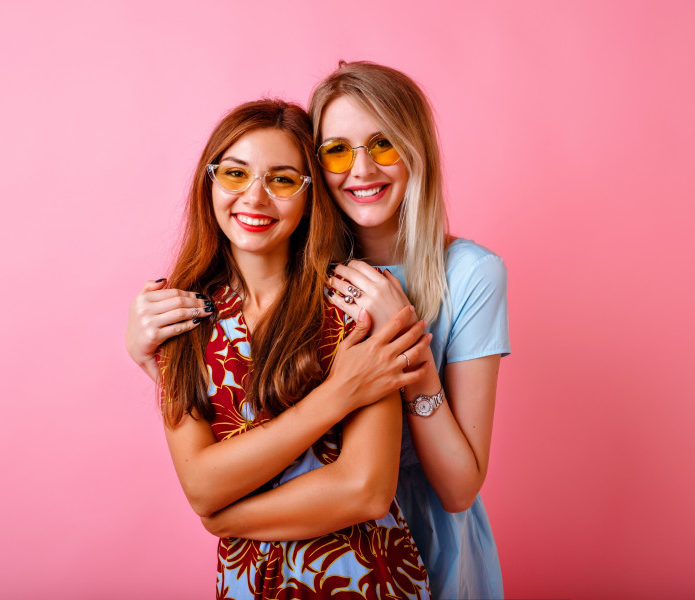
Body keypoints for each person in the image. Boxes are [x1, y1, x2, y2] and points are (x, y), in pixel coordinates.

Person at [129, 62, 511, 600]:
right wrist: (144, 346)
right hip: (281, 540)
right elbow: (207, 463)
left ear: (416, 149)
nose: (360, 169)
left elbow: (427, 489)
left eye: (382, 144)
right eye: (336, 150)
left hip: (399, 542)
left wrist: (227, 518)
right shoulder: (295, 275)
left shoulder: (450, 279)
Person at [153, 98, 432, 599]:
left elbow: (366, 490)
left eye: (281, 180)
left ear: (309, 196)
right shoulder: (180, 318)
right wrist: (337, 395)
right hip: (247, 585)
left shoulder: (353, 301)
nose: (254, 199)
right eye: (236, 174)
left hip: (364, 580)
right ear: (209, 181)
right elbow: (201, 484)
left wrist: (227, 518)